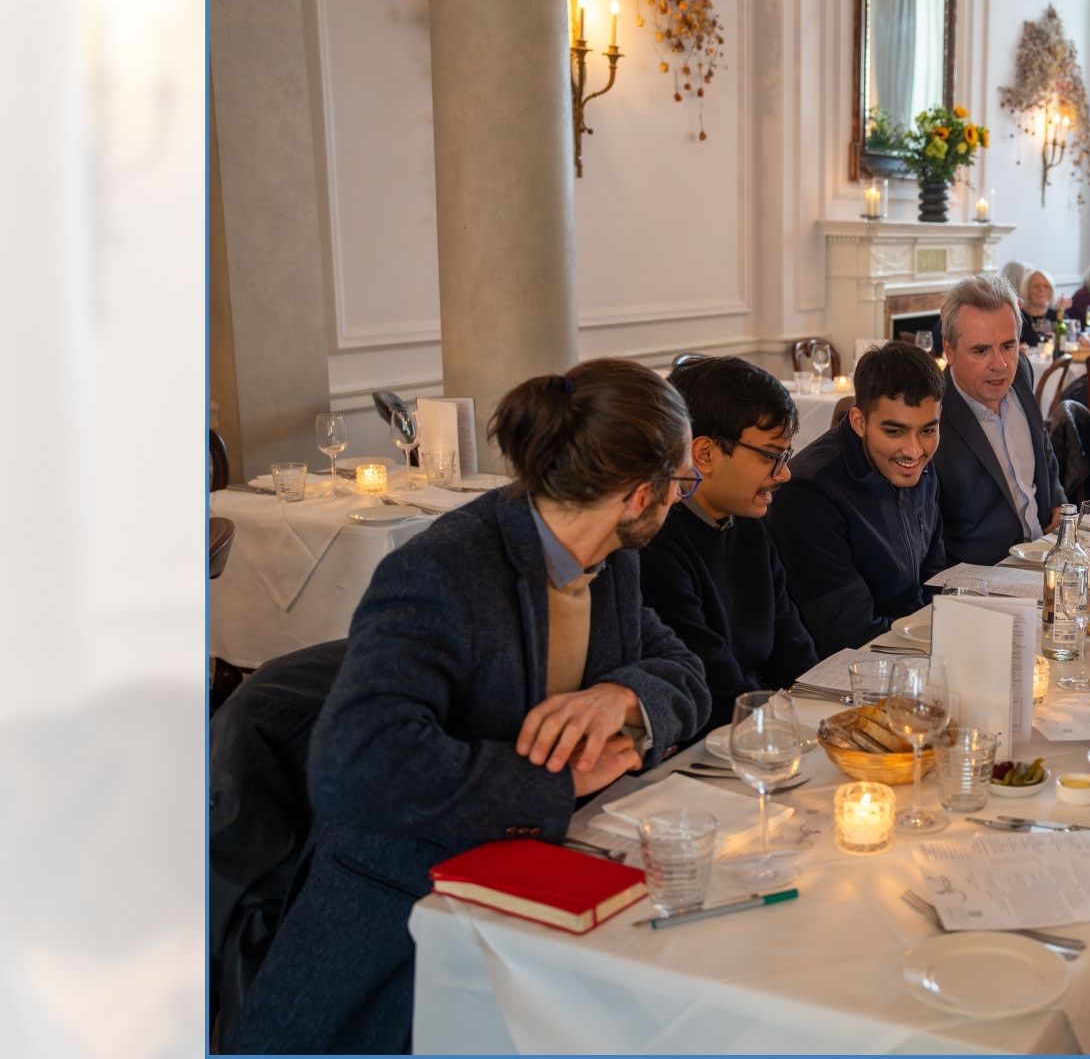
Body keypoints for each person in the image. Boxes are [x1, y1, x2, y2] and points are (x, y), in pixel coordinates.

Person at [223, 361, 711, 1053]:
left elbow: (686, 673)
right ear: (639, 496)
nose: (681, 499)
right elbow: (355, 765)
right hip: (406, 911)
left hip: (548, 885)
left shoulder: (610, 558)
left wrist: (624, 696)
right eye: (682, 484)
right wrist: (555, 783)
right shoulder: (444, 571)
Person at [640, 357, 820, 738]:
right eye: (770, 456)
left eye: (785, 456)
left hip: (766, 724)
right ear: (704, 454)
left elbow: (793, 646)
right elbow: (714, 688)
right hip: (720, 739)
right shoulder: (657, 547)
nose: (784, 473)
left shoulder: (749, 526)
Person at [767, 343, 947, 653]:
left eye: (928, 431)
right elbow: (848, 632)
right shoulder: (810, 494)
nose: (914, 450)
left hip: (917, 641)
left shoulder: (919, 465)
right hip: (855, 663)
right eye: (894, 431)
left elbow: (935, 578)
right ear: (858, 421)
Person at [932, 274, 1066, 564]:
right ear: (949, 350)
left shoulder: (1021, 372)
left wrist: (1057, 498)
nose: (1000, 364)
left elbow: (1041, 444)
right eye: (981, 350)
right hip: (983, 578)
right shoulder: (932, 416)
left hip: (1047, 556)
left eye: (1008, 346)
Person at [1016, 268, 1061, 350]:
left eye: (1046, 286)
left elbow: (1075, 336)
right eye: (1036, 286)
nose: (1041, 290)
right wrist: (1016, 349)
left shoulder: (1058, 315)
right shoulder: (1017, 317)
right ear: (1027, 290)